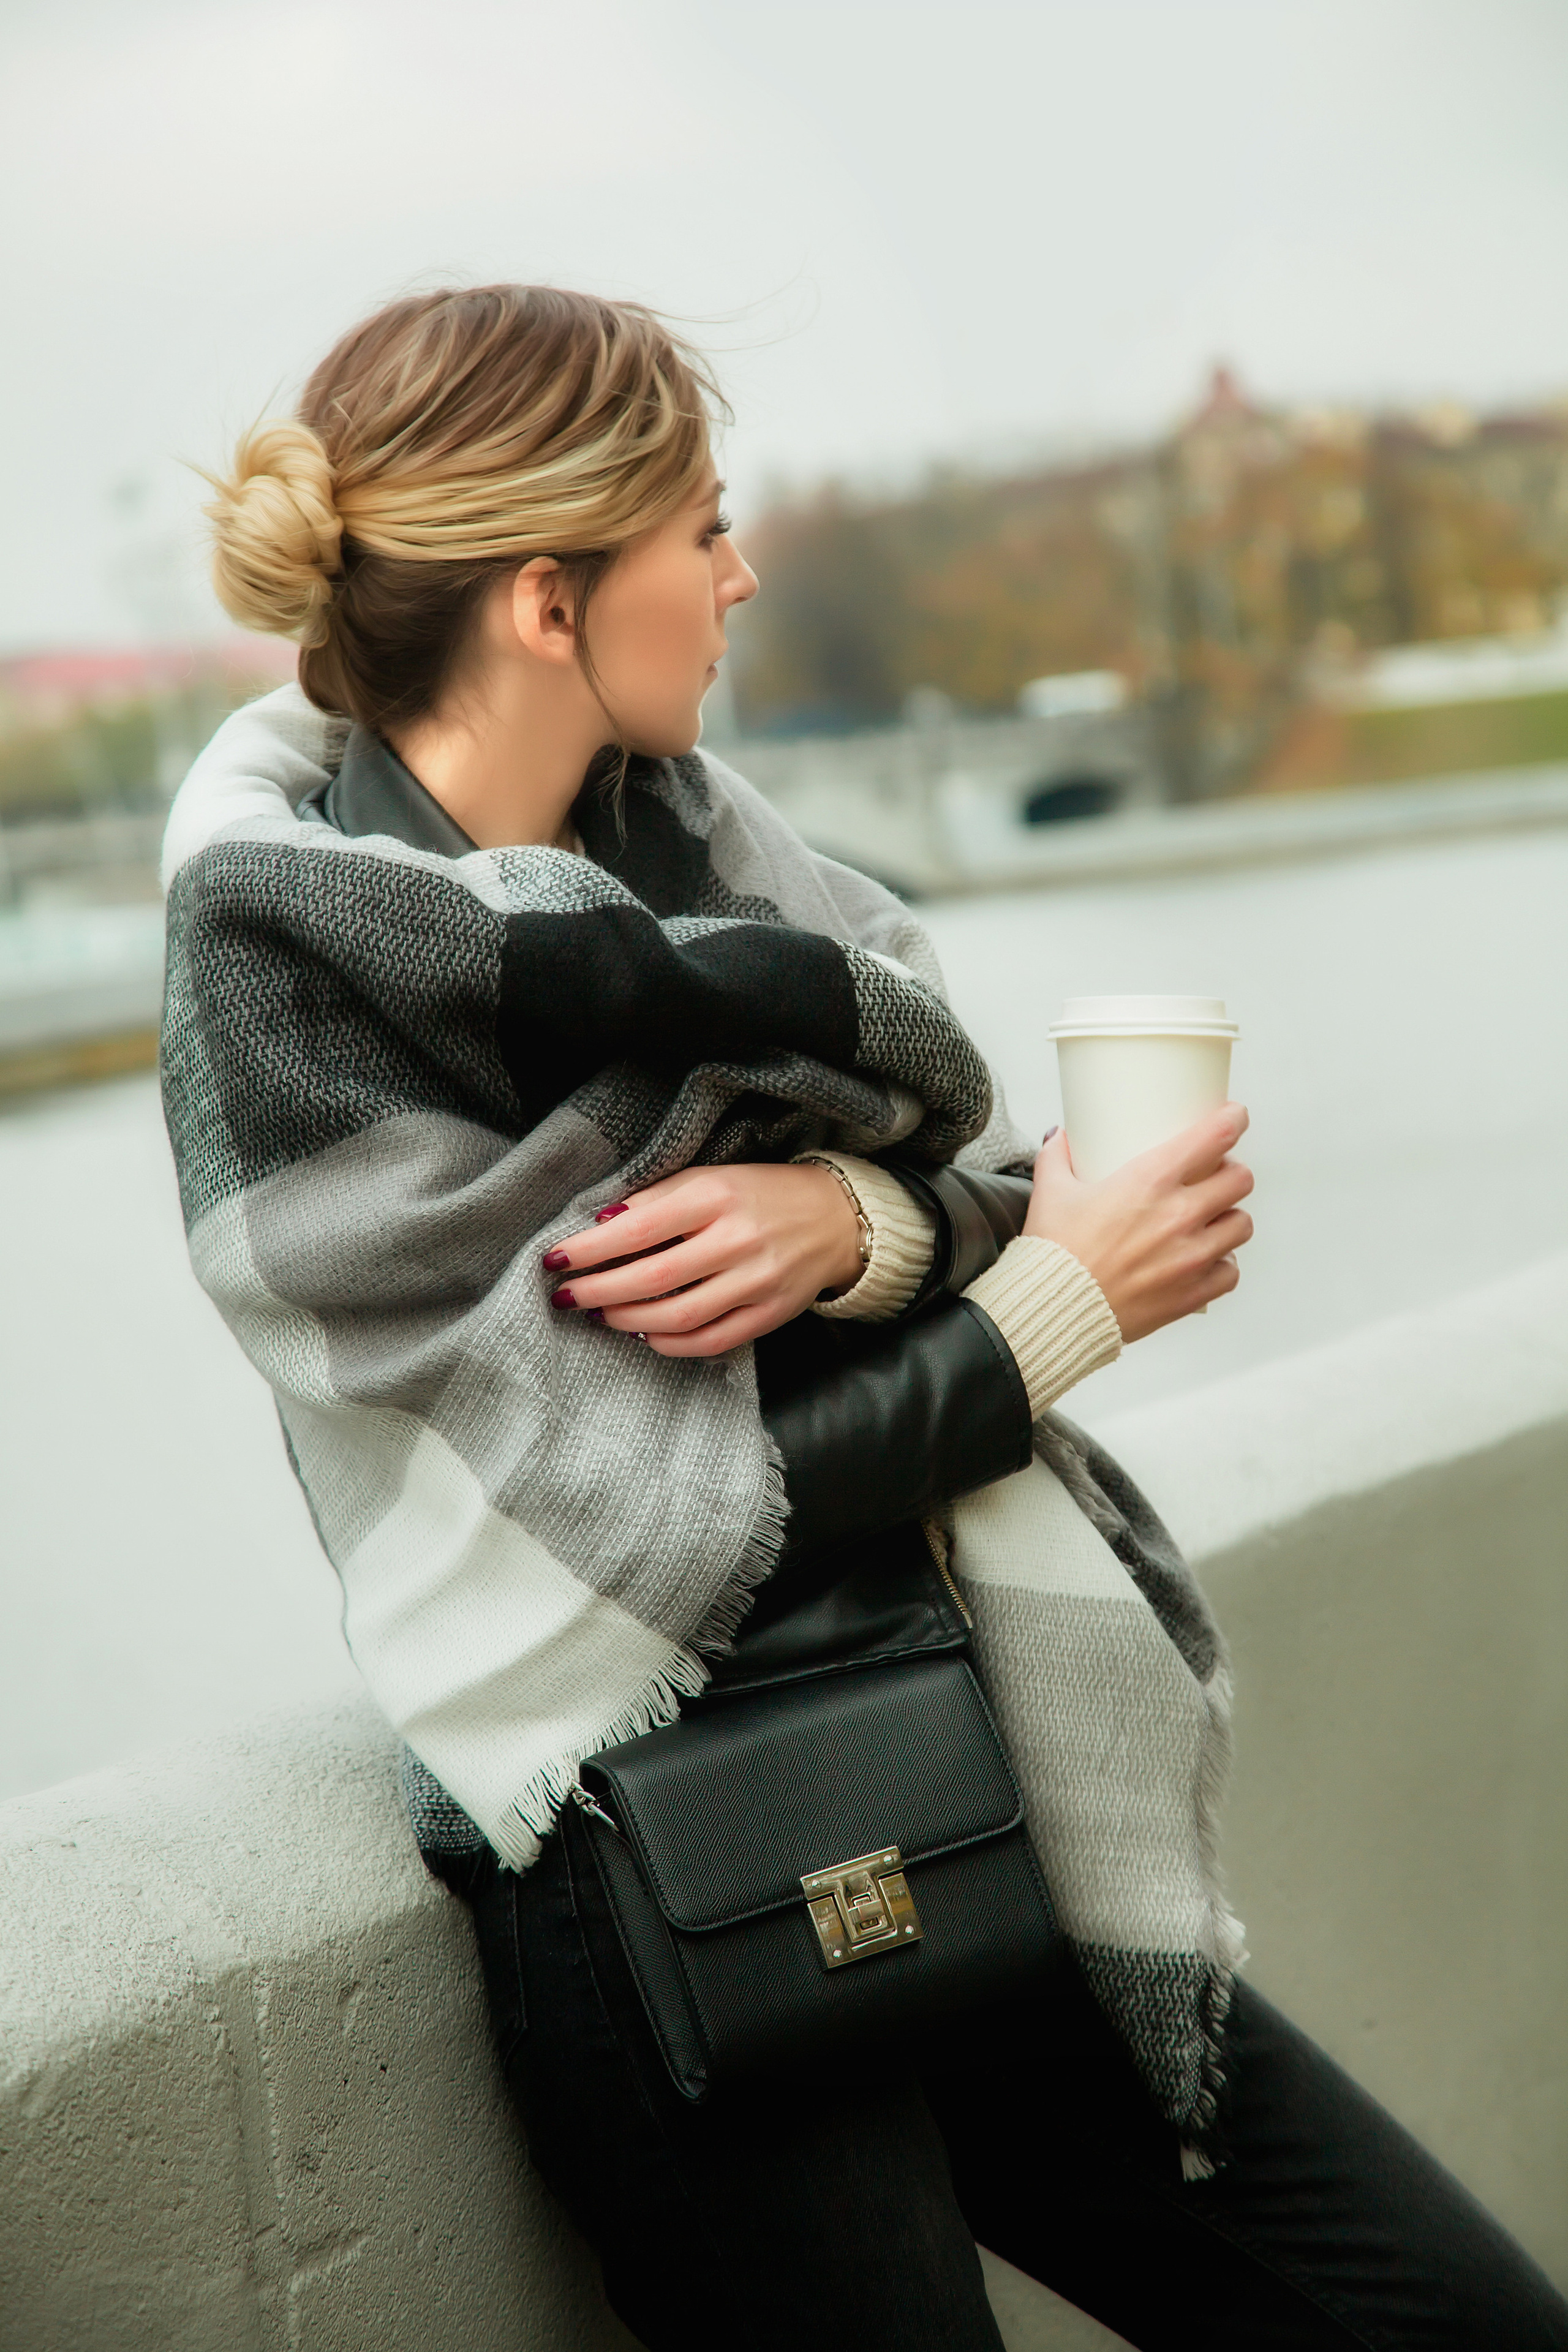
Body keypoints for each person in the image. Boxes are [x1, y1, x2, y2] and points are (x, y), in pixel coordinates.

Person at [164, 283, 1568, 2350]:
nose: (740, 578)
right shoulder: (291, 984)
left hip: (965, 1776)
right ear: (548, 600)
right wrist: (1066, 1305)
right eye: (702, 531)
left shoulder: (706, 860)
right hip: (669, 1892)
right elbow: (644, 1507)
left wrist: (856, 1221)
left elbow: (962, 1165)